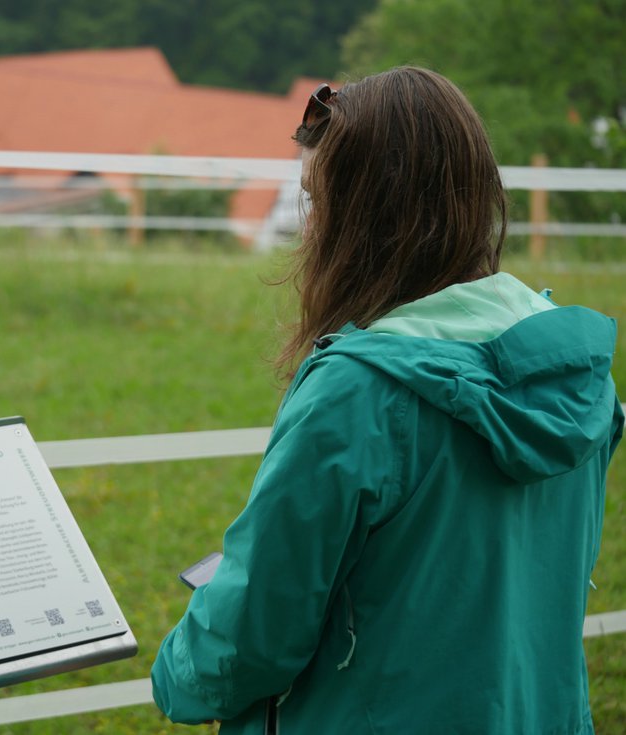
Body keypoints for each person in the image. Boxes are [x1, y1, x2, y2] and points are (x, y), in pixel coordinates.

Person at [150, 66, 623, 734]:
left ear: (362, 217)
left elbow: (255, 635)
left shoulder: (358, 393)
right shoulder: (576, 376)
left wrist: (177, 673)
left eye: (319, 201)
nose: (309, 230)